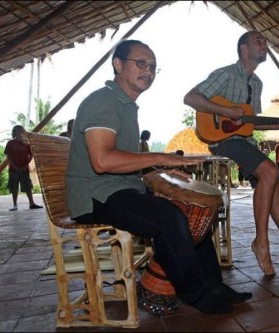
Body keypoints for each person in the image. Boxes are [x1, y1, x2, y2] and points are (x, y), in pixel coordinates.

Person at [66, 39, 251, 315]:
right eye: (140, 63)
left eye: (153, 67)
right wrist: (158, 157)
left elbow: (123, 160)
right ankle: (196, 294)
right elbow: (102, 160)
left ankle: (213, 285)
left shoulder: (126, 105)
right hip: (94, 196)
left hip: (118, 188)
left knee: (191, 210)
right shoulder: (102, 101)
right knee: (168, 218)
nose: (148, 71)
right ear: (118, 64)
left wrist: (158, 171)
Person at [183, 30, 279, 276]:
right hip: (222, 140)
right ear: (243, 49)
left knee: (273, 182)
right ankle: (261, 242)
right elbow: (191, 97)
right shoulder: (225, 74)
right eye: (259, 41)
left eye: (266, 42)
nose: (264, 45)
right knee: (270, 171)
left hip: (243, 140)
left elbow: (249, 122)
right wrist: (224, 110)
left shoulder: (256, 84)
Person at [4, 125, 43, 211]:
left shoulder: (27, 143)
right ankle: (15, 205)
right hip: (13, 169)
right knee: (14, 187)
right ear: (14, 132)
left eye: (21, 130)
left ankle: (32, 203)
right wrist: (15, 166)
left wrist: (25, 165)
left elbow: (31, 155)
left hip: (24, 169)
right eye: (17, 130)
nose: (19, 132)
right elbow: (8, 156)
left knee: (27, 186)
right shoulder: (10, 143)